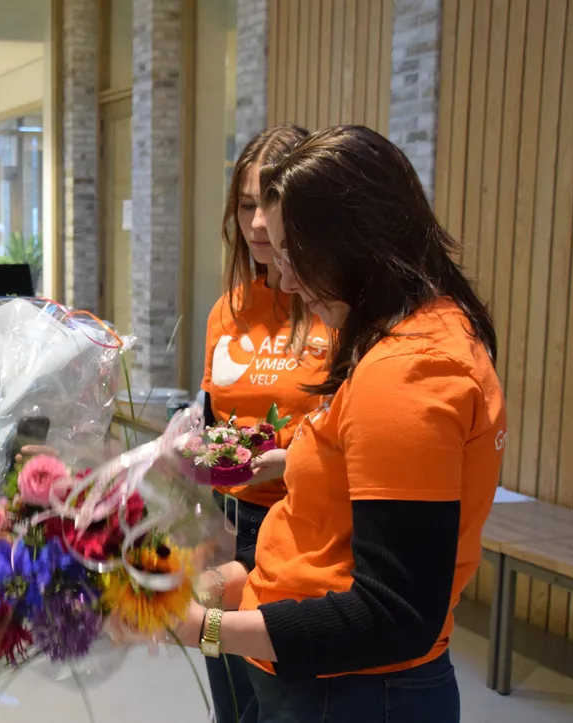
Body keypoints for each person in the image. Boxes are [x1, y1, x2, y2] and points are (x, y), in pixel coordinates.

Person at [119, 125, 506, 723]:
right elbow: (328, 538)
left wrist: (208, 628)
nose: (287, 280)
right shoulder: (407, 338)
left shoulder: (406, 371)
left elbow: (392, 615)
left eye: (296, 257)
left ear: (351, 243)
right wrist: (223, 582)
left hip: (351, 690)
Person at [195, 124, 328, 722]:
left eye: (268, 203)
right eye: (245, 205)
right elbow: (211, 415)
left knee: (279, 705)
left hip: (300, 531)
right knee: (229, 699)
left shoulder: (333, 312)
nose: (255, 224)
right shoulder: (228, 310)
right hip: (224, 526)